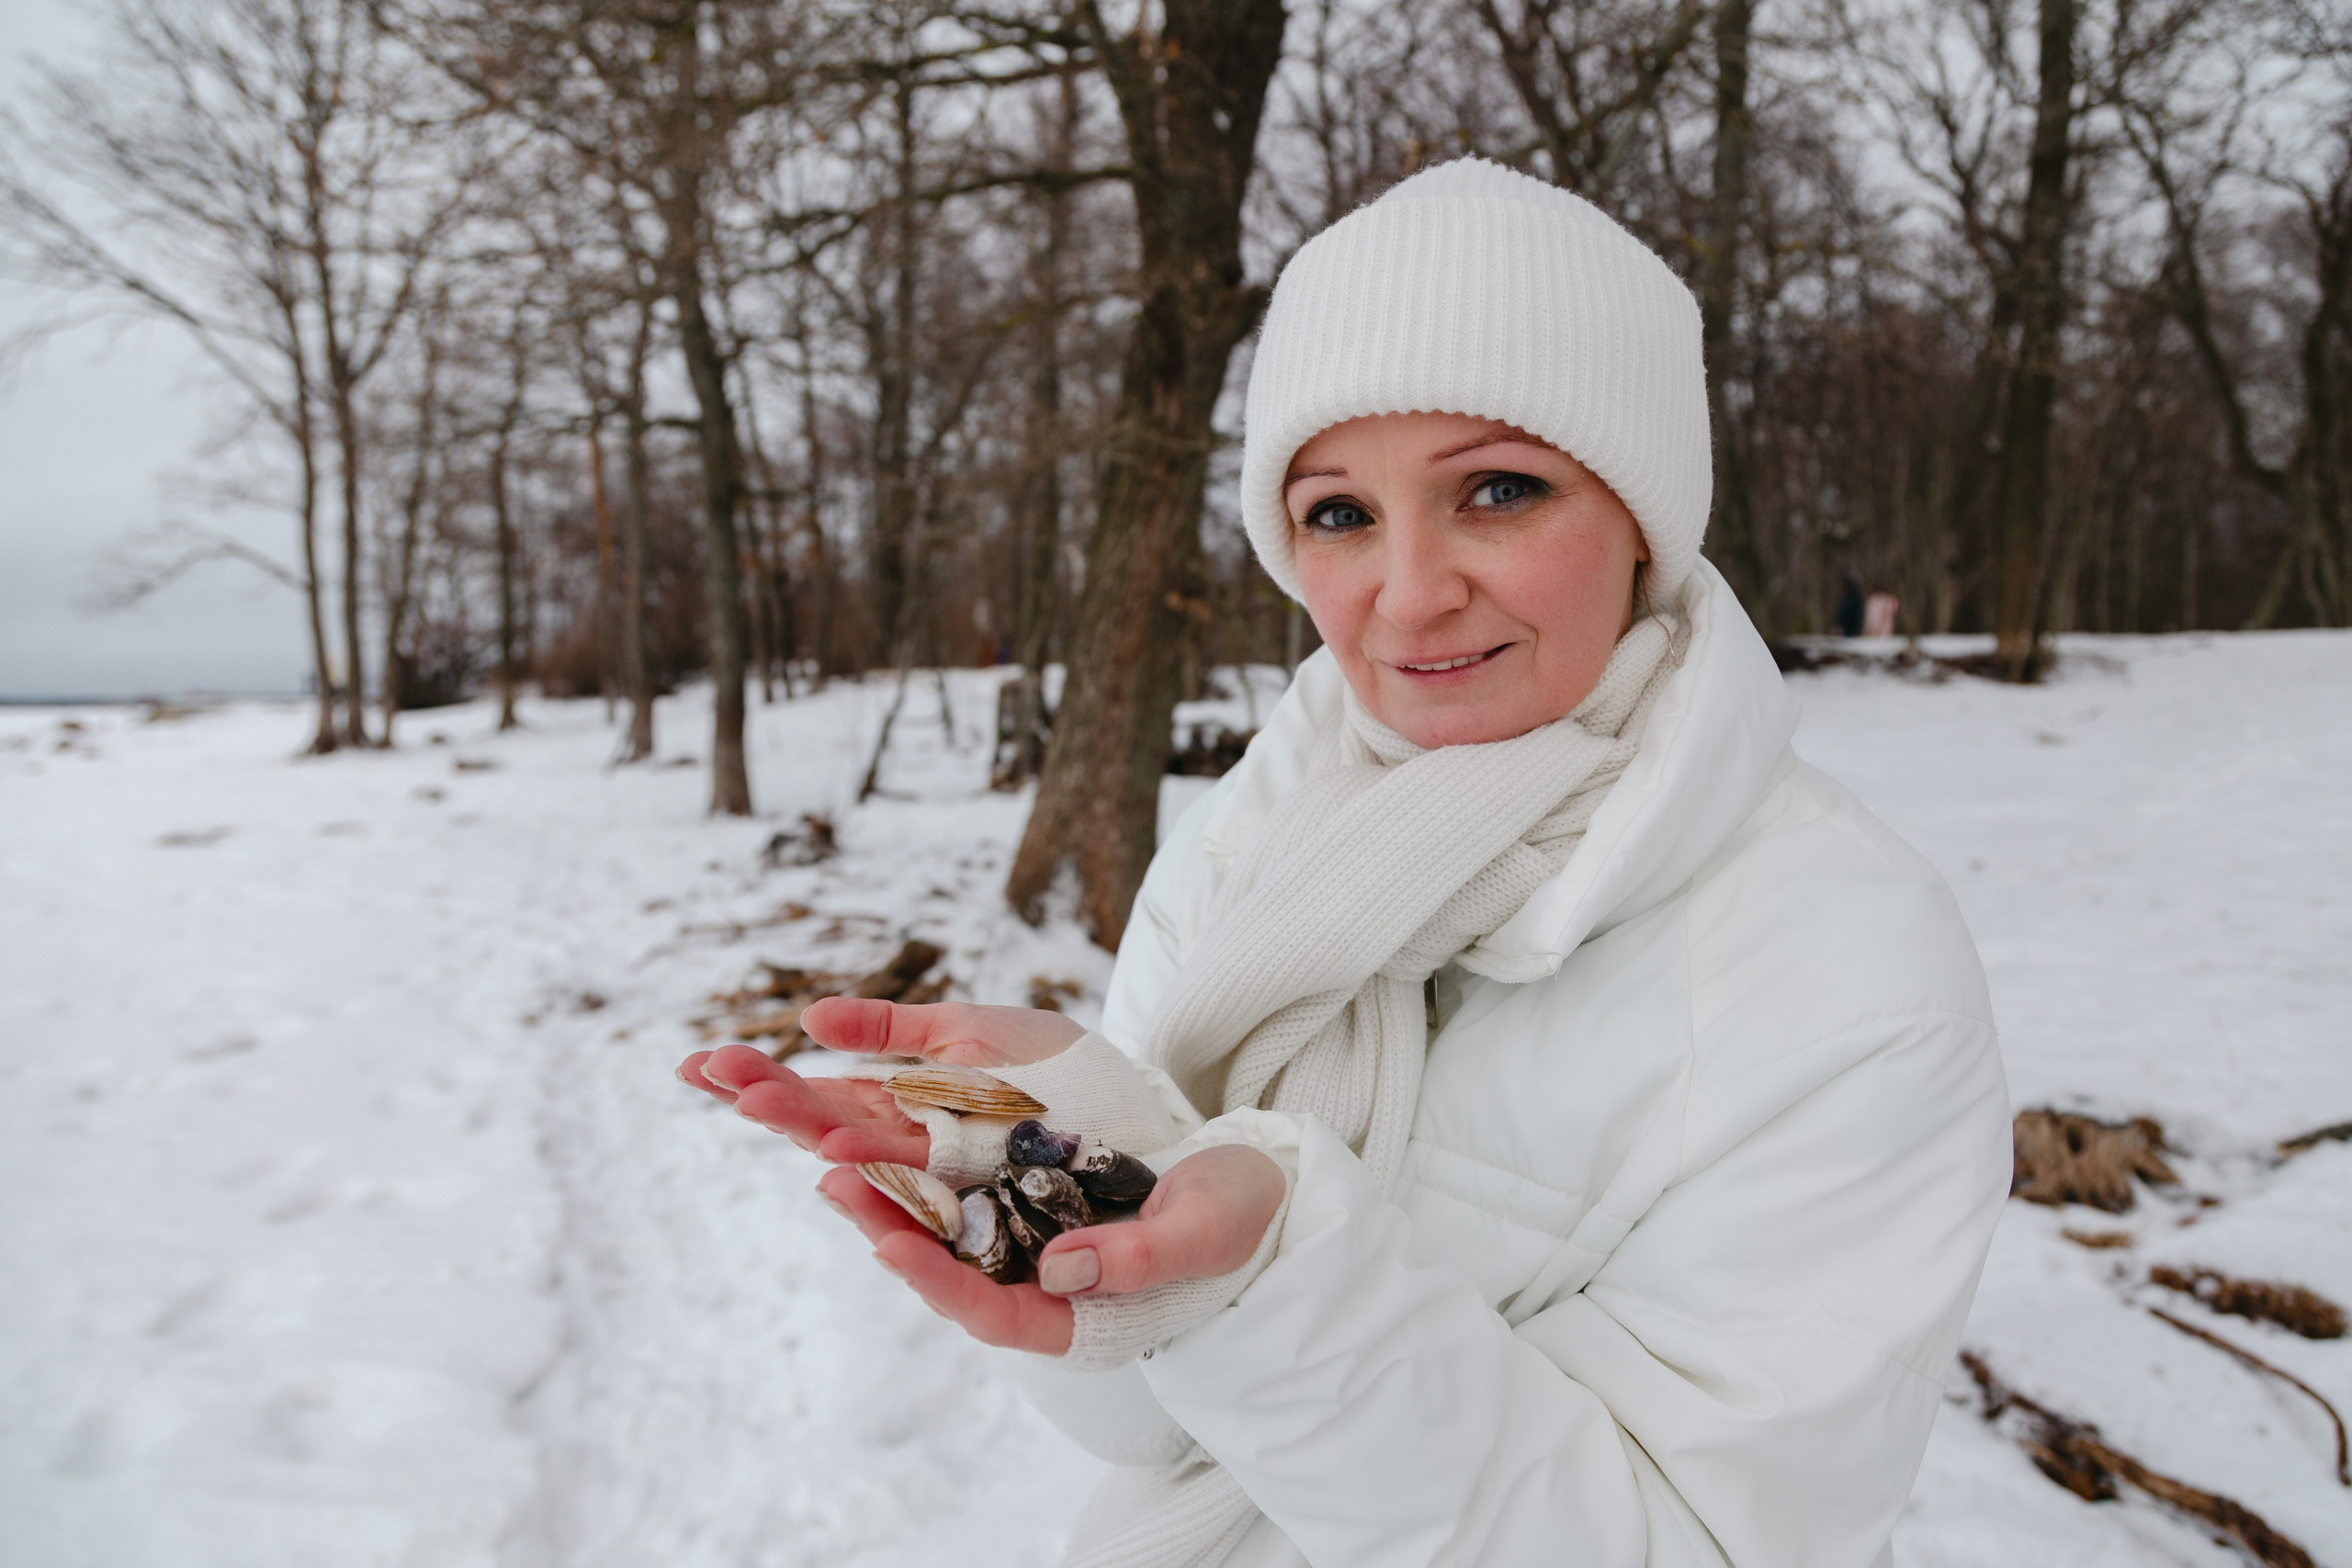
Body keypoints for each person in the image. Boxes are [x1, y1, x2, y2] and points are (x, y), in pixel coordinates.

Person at [681, 158, 2009, 1568]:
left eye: (1499, 489)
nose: (1411, 591)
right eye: (1339, 514)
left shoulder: (1850, 970)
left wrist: (1275, 1275)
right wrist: (1098, 1168)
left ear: (1644, 521)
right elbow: (1145, 1434)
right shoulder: (1257, 841)